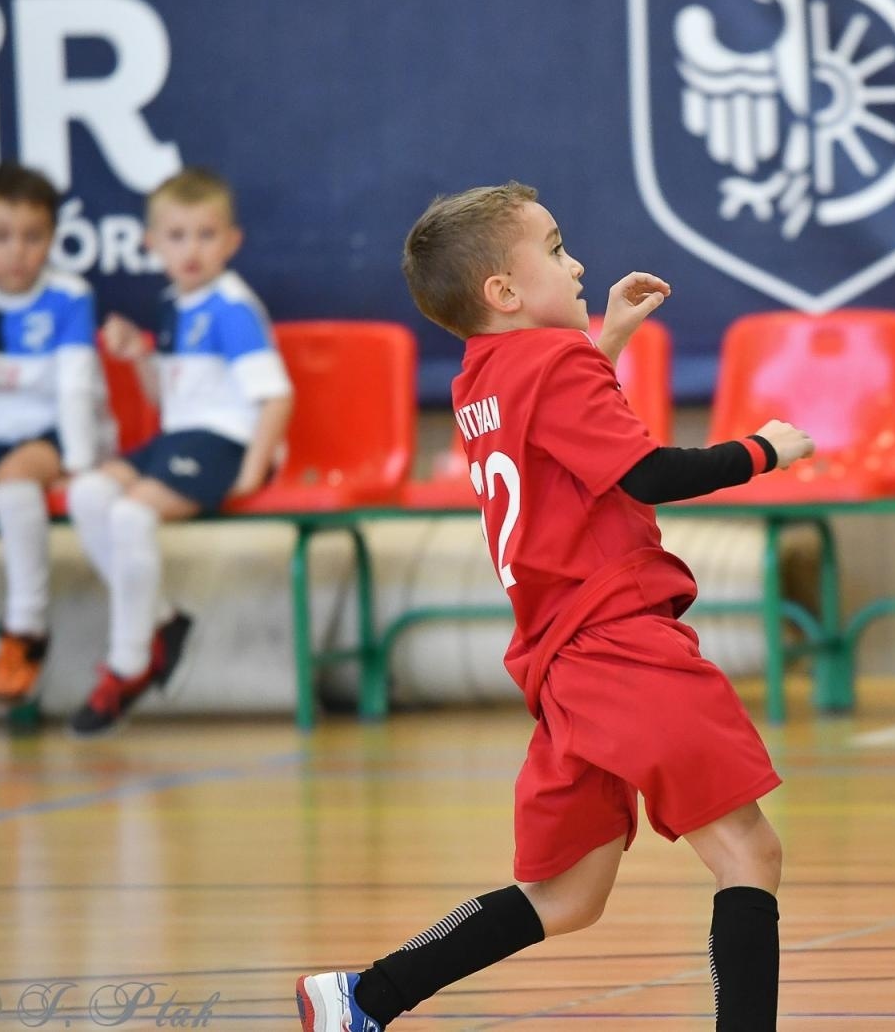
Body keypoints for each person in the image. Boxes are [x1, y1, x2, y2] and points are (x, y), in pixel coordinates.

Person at [295, 181, 813, 1032]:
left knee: (567, 895)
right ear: (503, 291)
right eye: (556, 248)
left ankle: (363, 997)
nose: (576, 264)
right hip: (620, 645)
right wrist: (760, 450)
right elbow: (644, 473)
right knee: (749, 853)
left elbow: (557, 430)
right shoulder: (555, 363)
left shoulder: (478, 381)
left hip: (562, 658)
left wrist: (605, 337)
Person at [65, 167, 294, 735]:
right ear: (151, 245)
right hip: (181, 438)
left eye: (205, 234)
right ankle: (162, 621)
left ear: (231, 242)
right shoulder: (173, 305)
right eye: (177, 235)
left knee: (130, 512)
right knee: (88, 493)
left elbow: (276, 394)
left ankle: (128, 662)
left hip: (225, 443)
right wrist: (138, 356)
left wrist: (251, 470)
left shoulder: (229, 308)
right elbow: (165, 400)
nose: (191, 249)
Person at [0, 163, 103, 705]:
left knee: (16, 481)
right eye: (0, 236)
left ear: (52, 239)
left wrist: (80, 460)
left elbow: (77, 386)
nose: (17, 251)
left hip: (49, 435)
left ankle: (26, 631)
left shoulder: (70, 297)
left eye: (33, 237)